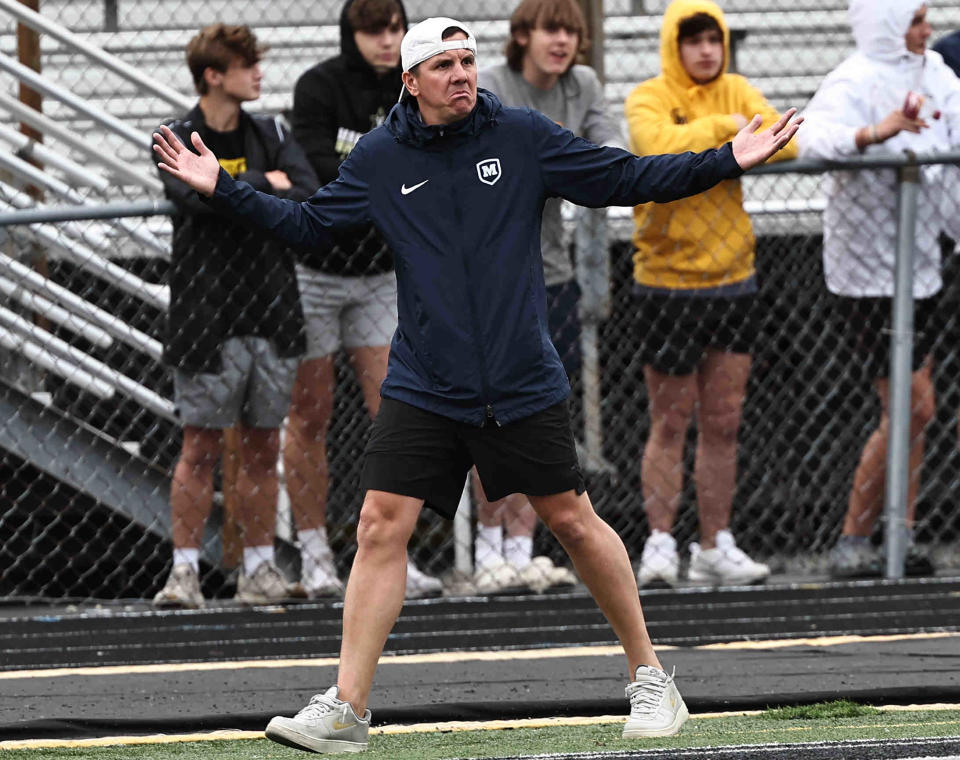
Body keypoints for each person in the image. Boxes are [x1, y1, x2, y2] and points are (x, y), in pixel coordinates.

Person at [153, 15, 798, 750]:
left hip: (520, 379)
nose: (461, 74)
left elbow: (624, 176)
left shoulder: (520, 135)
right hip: (425, 382)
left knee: (573, 521)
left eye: (467, 61)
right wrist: (222, 189)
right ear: (411, 82)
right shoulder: (381, 154)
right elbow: (310, 225)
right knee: (377, 526)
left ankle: (652, 679)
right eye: (443, 66)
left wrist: (728, 159)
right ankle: (347, 708)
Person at [625, 0, 795, 588]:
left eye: (713, 40)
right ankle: (661, 542)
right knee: (669, 421)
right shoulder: (647, 95)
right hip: (667, 283)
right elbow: (656, 145)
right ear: (675, 45)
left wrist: (716, 137)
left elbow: (787, 141)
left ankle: (715, 542)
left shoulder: (739, 86)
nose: (705, 50)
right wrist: (731, 132)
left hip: (733, 279)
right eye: (693, 40)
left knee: (723, 421)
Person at [152, 23, 318, 608]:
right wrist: (256, 186)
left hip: (271, 308)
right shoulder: (175, 134)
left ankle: (259, 570)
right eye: (246, 64)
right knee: (197, 445)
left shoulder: (271, 128)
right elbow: (185, 195)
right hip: (206, 314)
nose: (259, 73)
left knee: (261, 446)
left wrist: (221, 187)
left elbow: (303, 191)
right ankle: (183, 575)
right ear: (213, 75)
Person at [286, 0, 442, 600]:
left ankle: (393, 550)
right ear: (351, 35)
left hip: (382, 273)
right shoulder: (318, 86)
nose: (387, 40)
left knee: (395, 411)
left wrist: (383, 181)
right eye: (374, 30)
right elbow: (317, 170)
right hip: (316, 273)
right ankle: (314, 552)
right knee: (310, 413)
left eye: (396, 29)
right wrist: (388, 179)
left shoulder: (415, 90)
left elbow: (428, 164)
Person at [799, 0, 960, 578]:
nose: (926, 30)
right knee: (913, 405)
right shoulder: (852, 78)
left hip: (922, 264)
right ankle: (855, 536)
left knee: (914, 411)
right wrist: (876, 132)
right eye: (914, 19)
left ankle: (898, 532)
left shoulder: (937, 76)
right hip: (866, 273)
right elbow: (812, 140)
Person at [472, 0, 622, 594]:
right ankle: (487, 551)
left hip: (552, 274)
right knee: (488, 419)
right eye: (550, 30)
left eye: (570, 32)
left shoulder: (583, 83)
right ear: (522, 36)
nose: (561, 42)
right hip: (489, 283)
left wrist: (564, 167)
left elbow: (611, 155)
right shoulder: (490, 86)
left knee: (538, 421)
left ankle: (521, 546)